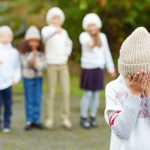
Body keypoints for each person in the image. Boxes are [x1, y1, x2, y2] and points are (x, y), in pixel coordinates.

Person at [105, 27, 150, 150]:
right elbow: (122, 132)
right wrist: (134, 94)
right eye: (134, 76)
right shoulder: (113, 88)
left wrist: (149, 94)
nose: (140, 80)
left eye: (146, 76)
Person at [79, 13, 116, 129]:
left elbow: (106, 53)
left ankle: (92, 117)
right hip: (88, 69)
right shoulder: (84, 36)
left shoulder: (103, 37)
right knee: (88, 94)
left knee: (96, 94)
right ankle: (83, 117)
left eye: (94, 25)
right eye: (90, 25)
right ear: (86, 26)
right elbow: (90, 44)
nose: (92, 28)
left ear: (98, 25)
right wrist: (94, 36)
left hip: (98, 69)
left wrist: (111, 68)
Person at [41, 7, 73, 130]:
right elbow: (44, 37)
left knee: (66, 91)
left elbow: (69, 43)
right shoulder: (46, 30)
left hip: (63, 64)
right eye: (54, 17)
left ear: (61, 19)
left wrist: (67, 52)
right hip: (51, 64)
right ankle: (49, 118)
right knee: (51, 92)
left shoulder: (64, 32)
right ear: (50, 19)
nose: (56, 20)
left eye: (58, 18)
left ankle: (65, 118)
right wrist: (54, 31)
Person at [20, 26, 46, 131]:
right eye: (31, 41)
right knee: (29, 98)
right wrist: (33, 56)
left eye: (36, 41)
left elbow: (43, 66)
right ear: (27, 41)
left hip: (38, 77)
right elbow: (26, 63)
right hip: (28, 77)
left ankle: (36, 119)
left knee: (37, 98)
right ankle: (29, 120)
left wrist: (36, 63)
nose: (34, 44)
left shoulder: (41, 53)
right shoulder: (23, 53)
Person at [0, 25, 21, 133]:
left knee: (8, 104)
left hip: (8, 83)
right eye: (3, 36)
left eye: (7, 36)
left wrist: (15, 79)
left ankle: (7, 123)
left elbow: (17, 67)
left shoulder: (14, 52)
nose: (5, 38)